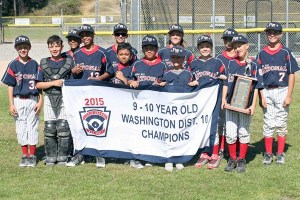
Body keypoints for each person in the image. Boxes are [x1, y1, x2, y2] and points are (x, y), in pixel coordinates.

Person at [66, 24, 113, 168]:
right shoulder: (77, 53)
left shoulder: (102, 52)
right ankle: (80, 153)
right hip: (82, 94)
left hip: (98, 92)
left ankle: (99, 154)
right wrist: (73, 70)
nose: (85, 37)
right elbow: (71, 74)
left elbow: (109, 71)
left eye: (88, 34)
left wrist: (99, 79)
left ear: (93, 35)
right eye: (82, 35)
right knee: (81, 123)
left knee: (98, 122)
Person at [257, 22, 299, 165]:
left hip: (282, 89)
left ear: (281, 34)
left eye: (275, 32)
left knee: (281, 123)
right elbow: (259, 77)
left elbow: (292, 74)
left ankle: (280, 153)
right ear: (266, 34)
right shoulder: (261, 53)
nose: (272, 34)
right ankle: (268, 154)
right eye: (269, 32)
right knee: (268, 123)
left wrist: (289, 95)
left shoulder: (286, 52)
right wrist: (261, 96)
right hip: (267, 90)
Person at [222, 35, 264, 173]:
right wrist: (223, 100)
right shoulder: (231, 63)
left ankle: (241, 159)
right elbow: (226, 84)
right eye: (235, 47)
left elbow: (257, 86)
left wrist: (253, 106)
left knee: (243, 131)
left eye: (240, 46)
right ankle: (232, 158)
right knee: (230, 132)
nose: (237, 49)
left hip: (246, 104)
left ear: (247, 46)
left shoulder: (254, 64)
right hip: (231, 103)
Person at [1, 35, 42, 167]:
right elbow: (10, 85)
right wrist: (11, 104)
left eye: (25, 47)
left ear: (29, 48)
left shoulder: (35, 64)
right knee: (21, 128)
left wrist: (40, 101)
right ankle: (25, 155)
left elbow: (39, 84)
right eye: (20, 47)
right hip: (18, 100)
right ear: (16, 48)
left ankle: (33, 155)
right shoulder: (13, 64)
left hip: (32, 99)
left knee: (33, 127)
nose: (23, 49)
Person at [36, 35, 74, 166]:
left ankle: (63, 156)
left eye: (57, 46)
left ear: (62, 47)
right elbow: (38, 84)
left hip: (64, 98)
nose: (54, 49)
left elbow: (74, 81)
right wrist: (53, 83)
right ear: (48, 48)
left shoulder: (69, 62)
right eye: (51, 46)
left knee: (63, 127)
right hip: (49, 97)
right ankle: (51, 156)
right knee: (50, 128)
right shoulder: (43, 62)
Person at [189, 35, 226, 169]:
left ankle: (215, 153)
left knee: (214, 125)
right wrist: (192, 82)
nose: (205, 49)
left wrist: (223, 77)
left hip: (214, 99)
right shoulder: (193, 63)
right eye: (202, 46)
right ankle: (204, 153)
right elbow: (189, 79)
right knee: (202, 126)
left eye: (207, 46)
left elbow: (225, 78)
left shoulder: (217, 62)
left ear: (211, 47)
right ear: (198, 48)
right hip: (200, 101)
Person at [159, 46, 197, 171]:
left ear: (184, 59)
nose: (176, 59)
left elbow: (194, 90)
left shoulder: (188, 73)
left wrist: (195, 85)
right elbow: (159, 90)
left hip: (183, 110)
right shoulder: (166, 73)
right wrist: (161, 85)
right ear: (170, 58)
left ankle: (179, 158)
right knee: (169, 134)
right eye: (174, 57)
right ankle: (169, 159)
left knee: (181, 134)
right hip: (169, 110)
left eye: (179, 57)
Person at [215, 28, 238, 162]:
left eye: (231, 39)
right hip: (222, 95)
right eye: (226, 39)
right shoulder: (219, 58)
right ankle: (222, 148)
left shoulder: (240, 57)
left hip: (237, 96)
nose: (228, 42)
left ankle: (234, 149)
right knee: (221, 123)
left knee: (234, 124)